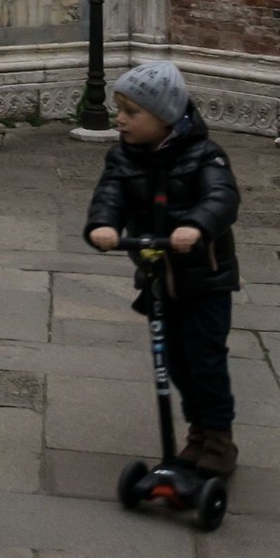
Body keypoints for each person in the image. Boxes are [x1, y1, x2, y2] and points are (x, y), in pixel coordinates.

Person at [84, 58, 242, 477]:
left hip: (205, 279)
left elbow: (221, 198)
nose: (120, 120)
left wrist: (196, 226)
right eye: (119, 110)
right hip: (159, 279)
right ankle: (197, 433)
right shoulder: (124, 158)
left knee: (205, 358)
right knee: (173, 361)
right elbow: (110, 196)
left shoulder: (206, 156)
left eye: (131, 112)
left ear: (166, 117)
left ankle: (219, 441)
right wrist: (102, 225)